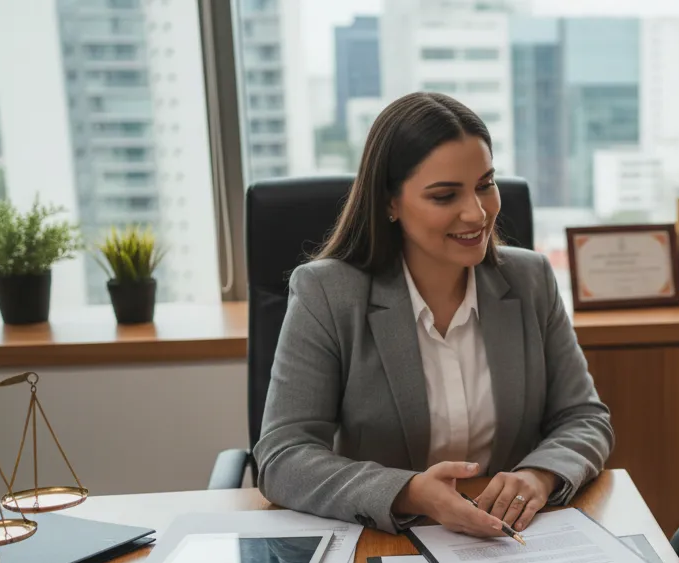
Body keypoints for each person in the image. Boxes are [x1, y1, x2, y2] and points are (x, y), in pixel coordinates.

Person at [254, 92, 613, 538]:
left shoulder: (531, 279)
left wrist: (539, 475)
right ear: (390, 202)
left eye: (485, 184)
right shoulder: (328, 292)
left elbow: (584, 417)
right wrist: (408, 491)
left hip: (511, 540)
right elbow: (282, 456)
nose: (477, 213)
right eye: (445, 195)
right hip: (385, 539)